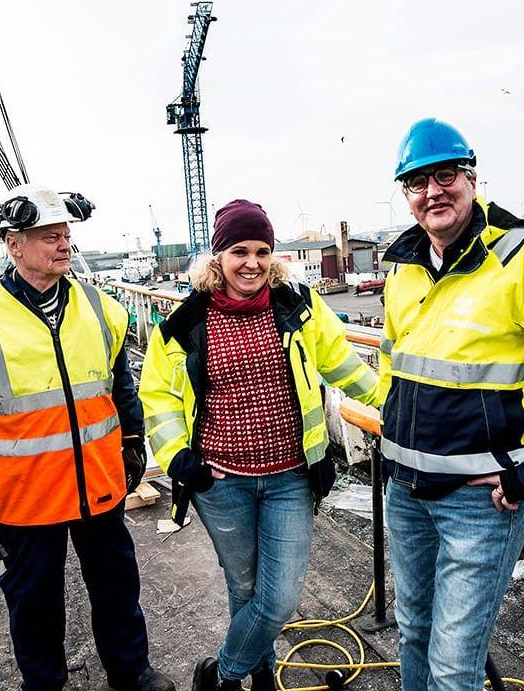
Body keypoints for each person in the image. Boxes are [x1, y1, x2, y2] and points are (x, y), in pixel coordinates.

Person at [377, 119, 524, 691]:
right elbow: (394, 366)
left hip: (480, 503)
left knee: (453, 666)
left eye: (444, 175)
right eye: (416, 181)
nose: (432, 191)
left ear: (471, 177)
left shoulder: (519, 256)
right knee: (412, 631)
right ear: (406, 194)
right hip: (406, 491)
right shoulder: (405, 267)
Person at [139, 200, 384, 691]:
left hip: (290, 476)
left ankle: (221, 673)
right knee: (245, 588)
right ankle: (261, 676)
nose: (252, 262)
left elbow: (344, 365)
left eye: (263, 251)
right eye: (239, 251)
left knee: (281, 597)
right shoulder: (187, 322)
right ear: (218, 259)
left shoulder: (297, 307)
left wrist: (397, 405)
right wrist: (178, 459)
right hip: (220, 480)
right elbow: (158, 394)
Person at [0, 185, 175, 691]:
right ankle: (42, 683)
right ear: (13, 244)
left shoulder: (100, 307)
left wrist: (132, 439)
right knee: (34, 598)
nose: (63, 245)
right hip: (25, 492)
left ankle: (130, 671)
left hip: (97, 480)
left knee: (116, 584)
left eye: (66, 235)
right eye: (49, 237)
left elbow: (120, 386)